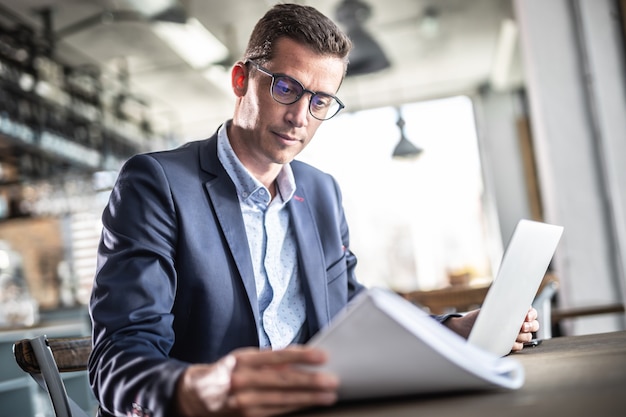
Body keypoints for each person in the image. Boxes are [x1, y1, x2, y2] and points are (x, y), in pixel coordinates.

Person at [88, 4, 539, 417]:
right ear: (242, 80)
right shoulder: (157, 184)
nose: (300, 116)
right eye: (286, 88)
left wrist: (455, 330)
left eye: (320, 100)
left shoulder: (320, 192)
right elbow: (119, 356)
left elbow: (350, 306)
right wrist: (197, 388)